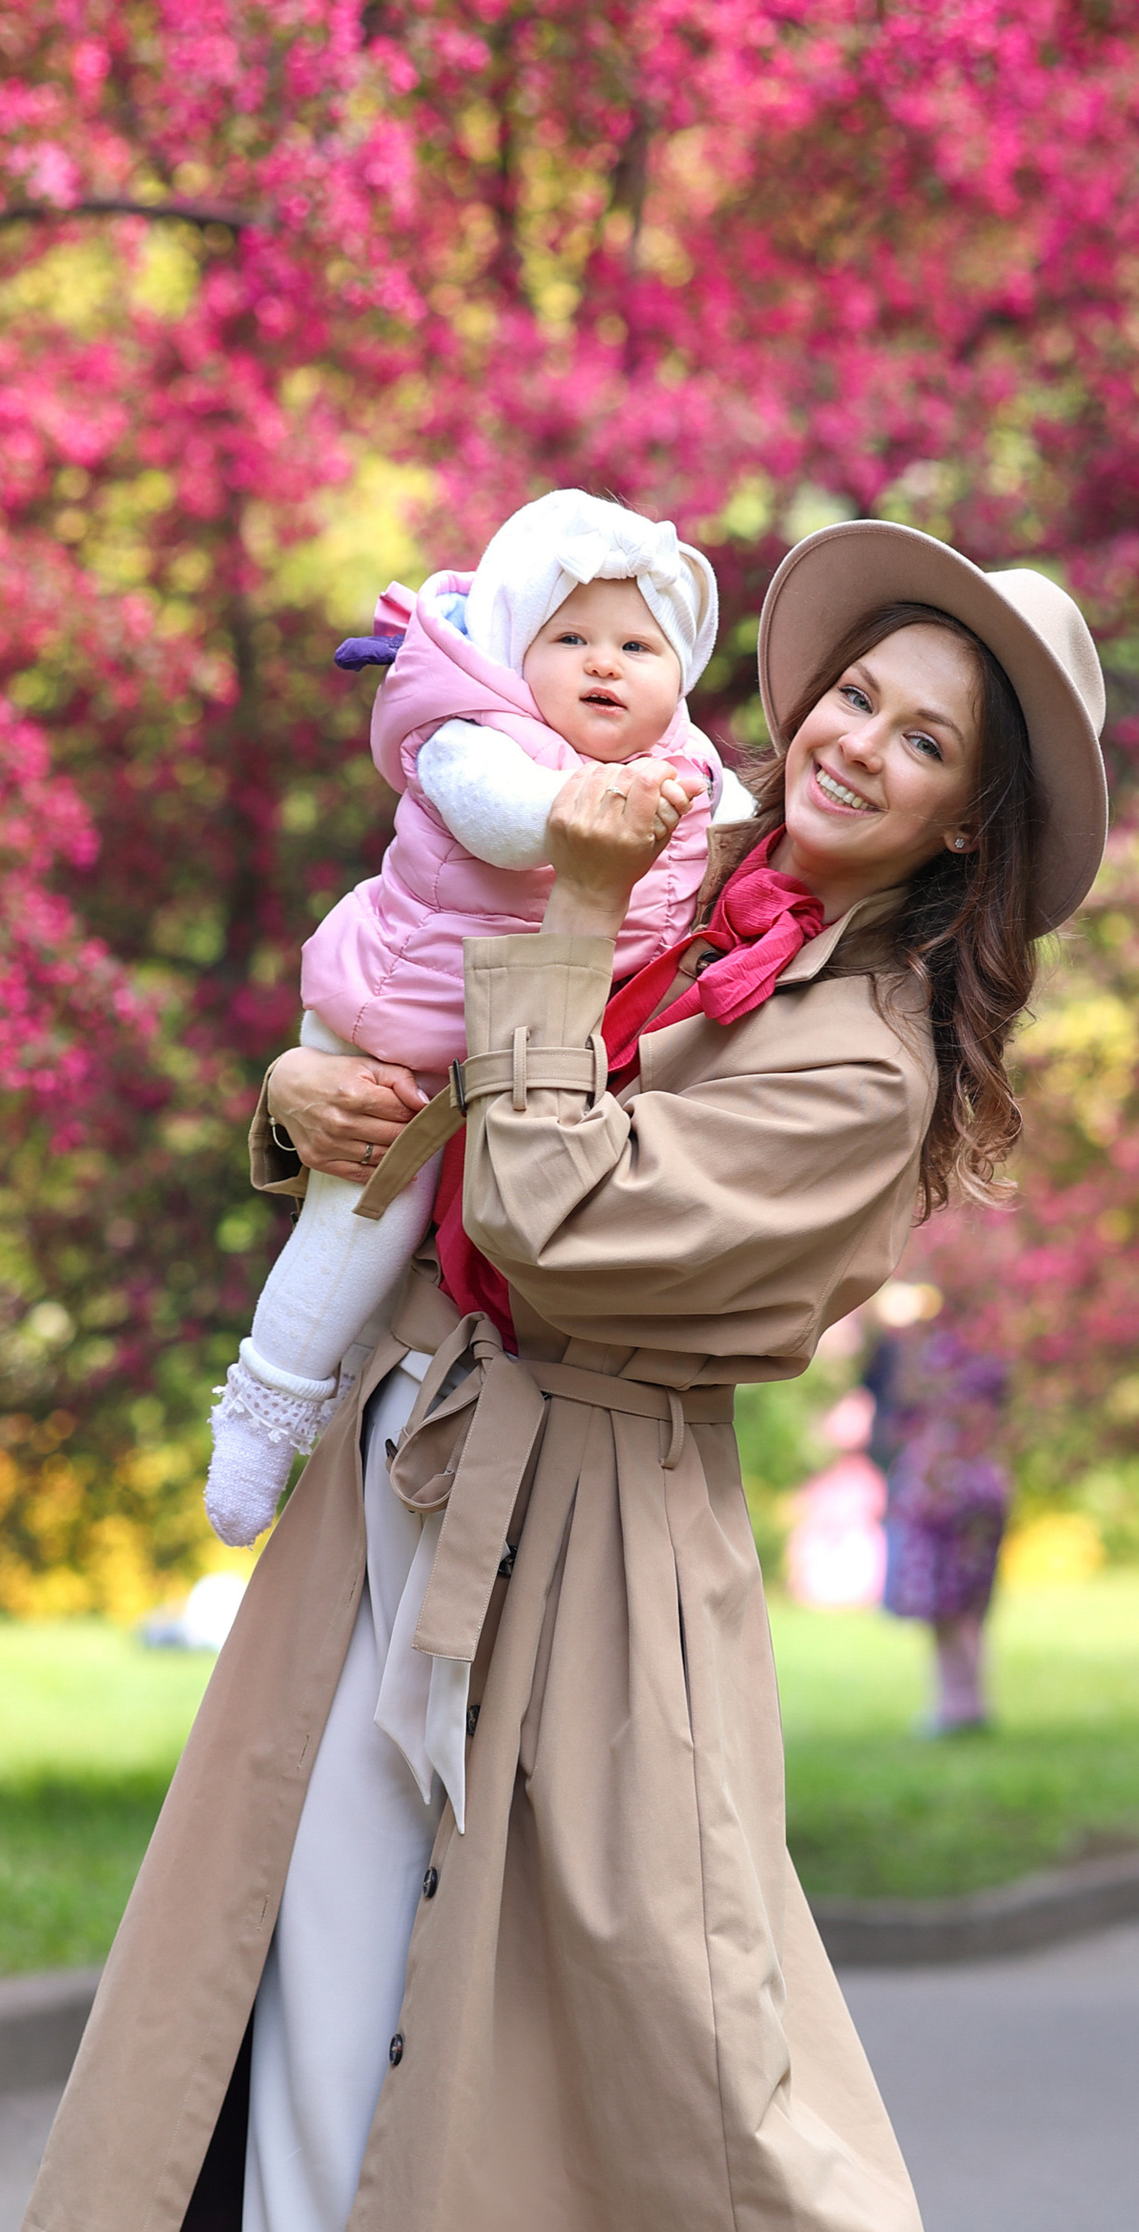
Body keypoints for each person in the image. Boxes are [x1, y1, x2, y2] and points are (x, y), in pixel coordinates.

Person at [18, 515, 1139, 2232]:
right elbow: (411, 1059)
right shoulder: (674, 870)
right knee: (323, 2085)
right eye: (851, 693)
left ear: (964, 829)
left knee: (723, 2119)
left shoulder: (850, 1053)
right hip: (394, 1485)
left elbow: (551, 1211)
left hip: (600, 1550)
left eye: (918, 738)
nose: (847, 734)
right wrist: (299, 1091)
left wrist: (520, 954)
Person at [202, 489, 749, 1542]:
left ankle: (346, 1394)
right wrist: (575, 816)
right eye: (571, 638)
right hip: (398, 1026)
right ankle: (263, 1418)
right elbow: (500, 828)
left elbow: (744, 836)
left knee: (412, 1264)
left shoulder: (687, 772)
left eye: (639, 645)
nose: (604, 664)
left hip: (511, 1065)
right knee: (360, 1229)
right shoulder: (472, 733)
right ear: (510, 647)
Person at [867, 1310, 1015, 1735]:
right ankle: (968, 1703)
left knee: (948, 1605)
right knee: (968, 1604)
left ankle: (957, 1707)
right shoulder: (989, 1350)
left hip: (945, 1490)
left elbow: (905, 1421)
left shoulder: (938, 1359)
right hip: (980, 1483)